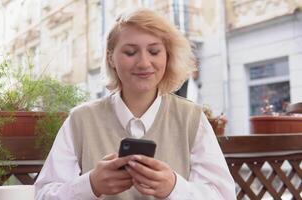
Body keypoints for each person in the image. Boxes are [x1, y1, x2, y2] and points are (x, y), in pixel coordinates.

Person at [35, 8, 236, 200]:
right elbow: (43, 194)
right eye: (130, 52)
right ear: (111, 58)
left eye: (154, 51)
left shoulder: (191, 118)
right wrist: (91, 184)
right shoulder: (80, 120)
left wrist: (174, 187)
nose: (144, 63)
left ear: (168, 56)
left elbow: (223, 196)